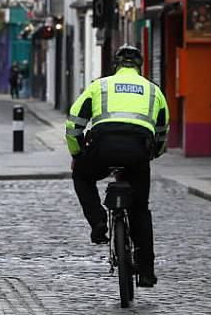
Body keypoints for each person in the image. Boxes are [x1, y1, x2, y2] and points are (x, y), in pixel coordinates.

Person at [66, 45, 169, 288]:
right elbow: (163, 133)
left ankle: (99, 222)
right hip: (137, 153)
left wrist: (78, 152)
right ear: (140, 66)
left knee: (82, 176)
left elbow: (74, 123)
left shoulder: (99, 86)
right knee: (140, 210)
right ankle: (145, 271)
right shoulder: (154, 91)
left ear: (116, 65)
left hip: (102, 149)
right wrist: (153, 154)